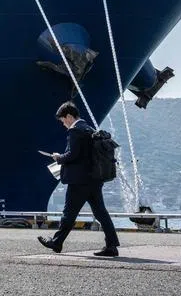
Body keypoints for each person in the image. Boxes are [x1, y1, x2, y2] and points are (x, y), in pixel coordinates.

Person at [37, 102, 120, 257]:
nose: (63, 124)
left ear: (69, 116)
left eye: (63, 120)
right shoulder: (88, 128)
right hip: (95, 178)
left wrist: (58, 157)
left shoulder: (75, 131)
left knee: (69, 213)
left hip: (79, 180)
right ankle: (112, 245)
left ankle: (57, 242)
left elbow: (73, 154)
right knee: (101, 213)